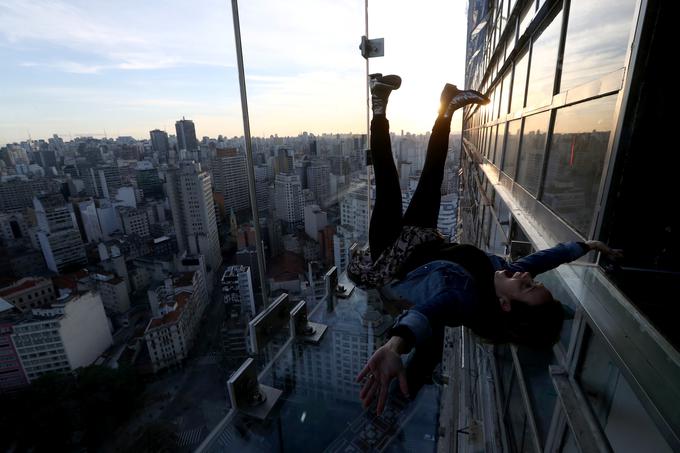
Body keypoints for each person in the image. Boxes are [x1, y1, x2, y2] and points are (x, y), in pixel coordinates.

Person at [348, 74, 624, 415]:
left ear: (505, 305)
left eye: (527, 287)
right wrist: (588, 246)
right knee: (433, 175)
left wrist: (394, 345)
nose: (526, 277)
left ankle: (378, 103)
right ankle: (446, 108)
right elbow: (545, 259)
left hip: (391, 255)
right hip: (422, 238)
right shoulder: (508, 275)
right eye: (533, 283)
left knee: (388, 183)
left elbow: (424, 316)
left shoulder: (464, 300)